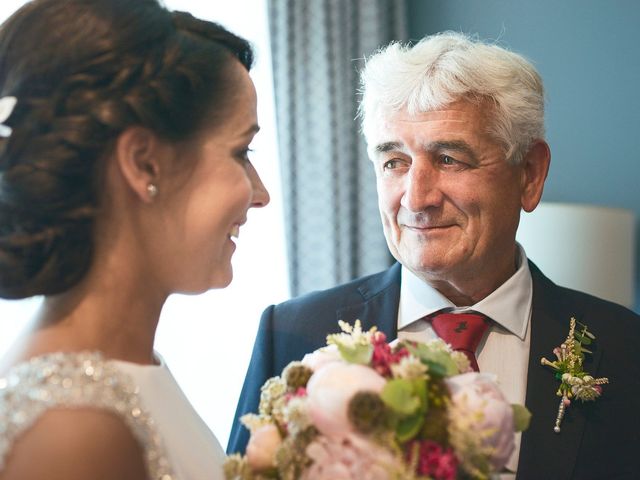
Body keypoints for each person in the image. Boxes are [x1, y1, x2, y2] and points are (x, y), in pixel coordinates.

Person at [229, 32, 640, 479]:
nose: (416, 198)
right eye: (394, 162)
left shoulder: (623, 348)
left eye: (448, 159)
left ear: (529, 174)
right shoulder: (293, 334)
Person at [0, 0, 269, 478]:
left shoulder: (135, 367)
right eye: (240, 151)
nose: (261, 194)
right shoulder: (70, 430)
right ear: (144, 163)